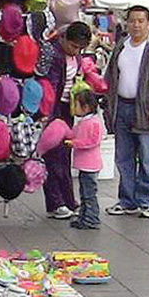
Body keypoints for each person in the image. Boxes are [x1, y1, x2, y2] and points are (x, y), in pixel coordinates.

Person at [104, 6, 149, 219]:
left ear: (148, 23)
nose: (136, 25)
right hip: (122, 107)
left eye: (140, 21)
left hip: (146, 109)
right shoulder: (121, 46)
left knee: (147, 157)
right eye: (132, 21)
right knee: (124, 157)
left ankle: (146, 201)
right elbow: (111, 75)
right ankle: (127, 200)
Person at [42, 21, 93, 219]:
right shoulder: (54, 54)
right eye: (73, 46)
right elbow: (51, 87)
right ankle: (56, 202)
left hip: (67, 109)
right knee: (54, 157)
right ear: (64, 39)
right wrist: (47, 115)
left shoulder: (75, 57)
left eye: (80, 48)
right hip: (53, 110)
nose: (75, 51)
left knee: (65, 155)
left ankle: (68, 199)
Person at [66, 89, 104, 230]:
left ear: (86, 107)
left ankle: (91, 218)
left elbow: (92, 141)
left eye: (76, 105)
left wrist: (75, 143)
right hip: (84, 165)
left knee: (89, 194)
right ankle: (84, 216)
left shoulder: (93, 123)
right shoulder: (83, 122)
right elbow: (74, 133)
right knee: (84, 193)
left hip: (90, 165)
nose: (73, 108)